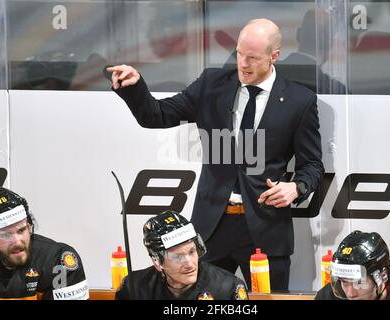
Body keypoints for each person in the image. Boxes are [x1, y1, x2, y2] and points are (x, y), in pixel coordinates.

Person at [107, 18, 324, 291]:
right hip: (211, 227)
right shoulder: (212, 83)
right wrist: (134, 88)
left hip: (266, 228)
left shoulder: (299, 100)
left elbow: (312, 164)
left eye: (253, 58)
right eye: (240, 54)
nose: (243, 64)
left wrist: (296, 187)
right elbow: (156, 115)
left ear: (274, 57)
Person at [115, 210, 248, 300]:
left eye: (192, 251)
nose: (189, 264)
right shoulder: (134, 288)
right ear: (157, 261)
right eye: (177, 257)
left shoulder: (227, 288)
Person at [0, 187, 88, 300]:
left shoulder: (58, 259)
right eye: (6, 235)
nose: (17, 242)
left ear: (30, 227)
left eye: (21, 230)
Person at [315, 230, 390, 300]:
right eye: (344, 282)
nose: (350, 294)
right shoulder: (327, 296)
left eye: (359, 282)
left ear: (382, 277)